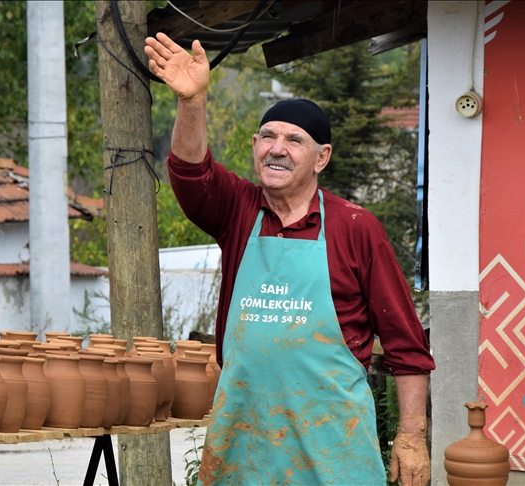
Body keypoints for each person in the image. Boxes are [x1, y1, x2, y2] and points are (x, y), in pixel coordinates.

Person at [145, 33, 435, 486]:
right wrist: (193, 101)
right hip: (244, 447)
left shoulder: (356, 227)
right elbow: (189, 173)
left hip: (332, 450)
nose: (276, 148)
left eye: (293, 140)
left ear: (321, 157)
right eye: (267, 136)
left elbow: (406, 345)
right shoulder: (237, 210)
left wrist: (412, 436)